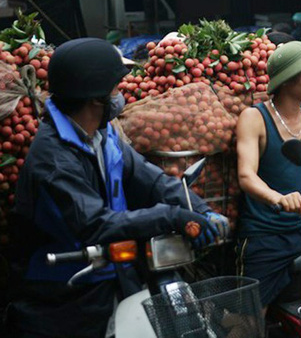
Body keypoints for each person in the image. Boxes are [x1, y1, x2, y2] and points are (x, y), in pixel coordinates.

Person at [6, 38, 227, 338]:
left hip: (113, 274)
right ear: (96, 98)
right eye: (115, 88)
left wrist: (198, 209)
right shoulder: (54, 159)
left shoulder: (102, 134)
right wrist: (171, 217)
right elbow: (94, 223)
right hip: (64, 293)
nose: (120, 95)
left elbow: (149, 178)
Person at [235, 41, 301, 308]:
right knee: (247, 319)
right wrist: (277, 198)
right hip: (264, 234)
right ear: (286, 79)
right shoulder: (253, 118)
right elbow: (246, 175)